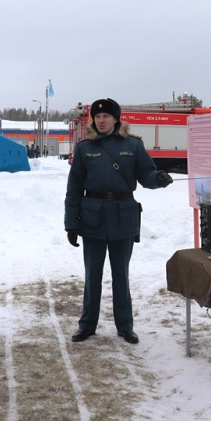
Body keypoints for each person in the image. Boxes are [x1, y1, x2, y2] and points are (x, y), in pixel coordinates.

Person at [64, 98, 173, 345]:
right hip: (92, 217)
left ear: (116, 119)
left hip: (123, 217)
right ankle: (87, 325)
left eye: (106, 117)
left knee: (121, 275)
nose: (101, 121)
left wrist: (158, 178)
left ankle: (125, 326)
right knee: (92, 275)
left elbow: (146, 174)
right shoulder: (84, 148)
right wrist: (71, 223)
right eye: (97, 117)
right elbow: (74, 189)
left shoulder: (133, 145)